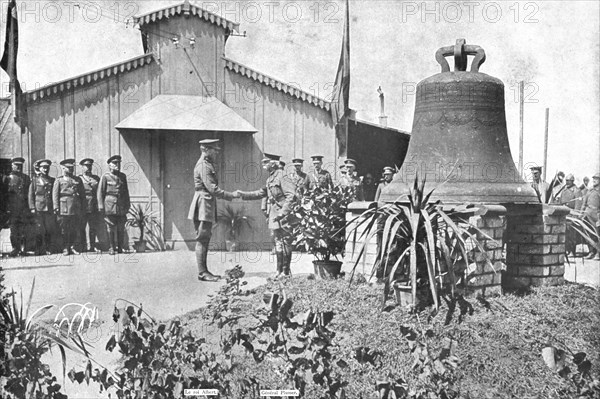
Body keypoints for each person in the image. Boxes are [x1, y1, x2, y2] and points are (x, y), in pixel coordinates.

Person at [187, 139, 240, 282]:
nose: (217, 152)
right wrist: (231, 195)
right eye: (214, 150)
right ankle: (203, 272)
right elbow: (212, 189)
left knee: (204, 238)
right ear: (206, 149)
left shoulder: (207, 164)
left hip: (206, 203)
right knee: (203, 239)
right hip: (204, 204)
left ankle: (204, 271)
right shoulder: (204, 166)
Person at [237, 153, 296, 279]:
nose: (263, 165)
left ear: (273, 163)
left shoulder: (282, 176)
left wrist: (283, 213)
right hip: (274, 213)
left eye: (266, 162)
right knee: (278, 242)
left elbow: (291, 196)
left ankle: (286, 272)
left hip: (283, 214)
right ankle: (278, 271)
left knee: (286, 242)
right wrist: (243, 194)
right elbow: (261, 193)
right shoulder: (270, 179)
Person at [98, 155, 131, 255]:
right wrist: (101, 206)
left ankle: (120, 247)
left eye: (119, 163)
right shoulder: (105, 176)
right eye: (115, 163)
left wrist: (127, 205)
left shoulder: (122, 176)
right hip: (109, 205)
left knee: (121, 227)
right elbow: (100, 192)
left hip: (121, 205)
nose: (117, 165)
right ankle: (112, 248)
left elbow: (126, 192)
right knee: (110, 227)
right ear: (109, 165)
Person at [53, 159, 85, 255]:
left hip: (75, 207)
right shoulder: (59, 180)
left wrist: (82, 207)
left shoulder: (77, 180)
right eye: (68, 167)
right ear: (63, 168)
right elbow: (55, 195)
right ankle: (65, 248)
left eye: (72, 167)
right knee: (64, 229)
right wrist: (56, 207)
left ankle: (72, 247)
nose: (71, 169)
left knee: (74, 228)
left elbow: (82, 195)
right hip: (64, 207)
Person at [2, 157, 31, 257]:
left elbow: (29, 194)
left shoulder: (26, 178)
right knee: (14, 229)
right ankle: (15, 248)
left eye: (20, 166)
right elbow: (4, 195)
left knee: (23, 229)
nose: (19, 167)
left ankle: (23, 249)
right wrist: (6, 208)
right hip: (12, 208)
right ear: (12, 166)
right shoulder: (7, 179)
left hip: (23, 208)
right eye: (16, 165)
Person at [29, 159, 55, 255]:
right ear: (39, 169)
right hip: (38, 207)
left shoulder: (52, 180)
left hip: (49, 208)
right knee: (39, 229)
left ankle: (48, 248)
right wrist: (32, 207)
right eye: (43, 168)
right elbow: (31, 195)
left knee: (48, 229)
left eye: (47, 168)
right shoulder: (35, 180)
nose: (45, 169)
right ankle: (39, 249)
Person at [78, 158, 101, 252]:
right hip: (82, 206)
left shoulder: (96, 178)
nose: (88, 168)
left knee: (93, 227)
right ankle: (83, 246)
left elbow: (99, 192)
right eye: (86, 166)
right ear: (82, 167)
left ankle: (92, 246)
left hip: (93, 205)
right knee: (81, 227)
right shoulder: (78, 178)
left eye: (89, 166)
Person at [581, 173, 600, 260]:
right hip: (587, 215)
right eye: (594, 178)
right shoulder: (590, 191)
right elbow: (584, 204)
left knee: (597, 235)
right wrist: (581, 214)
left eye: (597, 178)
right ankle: (591, 251)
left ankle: (598, 253)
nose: (594, 180)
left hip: (597, 217)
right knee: (588, 234)